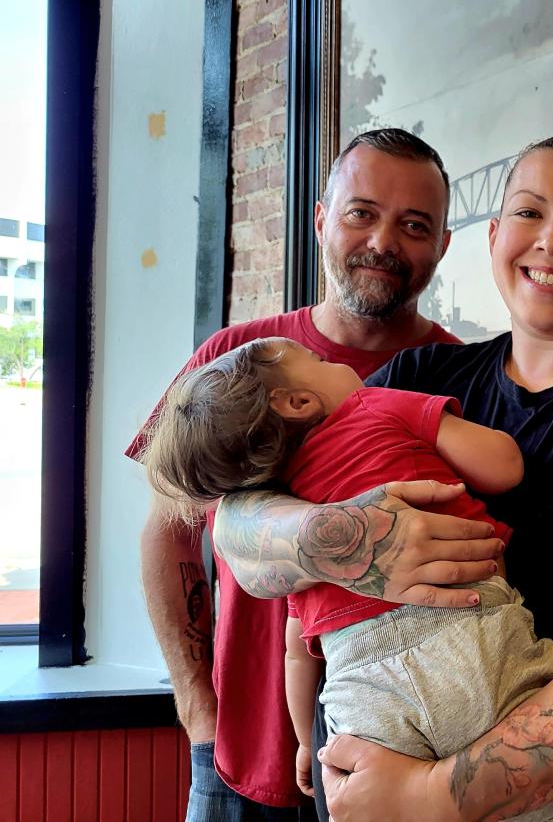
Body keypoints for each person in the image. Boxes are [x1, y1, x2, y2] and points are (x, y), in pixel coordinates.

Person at [211, 134, 553, 821]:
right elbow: (236, 523)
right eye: (529, 213)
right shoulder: (421, 376)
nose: (551, 240)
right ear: (494, 236)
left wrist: (436, 795)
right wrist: (333, 534)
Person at [129, 128, 472, 821]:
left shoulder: (467, 376)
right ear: (321, 219)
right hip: (238, 762)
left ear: (441, 245)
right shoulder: (235, 359)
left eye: (414, 225)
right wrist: (198, 709)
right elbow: (166, 537)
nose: (384, 240)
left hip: (406, 766)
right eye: (361, 212)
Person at [140, 336, 553, 821]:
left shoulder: (290, 504)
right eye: (319, 361)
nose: (332, 363)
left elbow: (297, 649)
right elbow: (504, 466)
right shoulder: (373, 404)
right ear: (297, 402)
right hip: (472, 642)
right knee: (551, 794)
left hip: (361, 688)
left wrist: (303, 743)